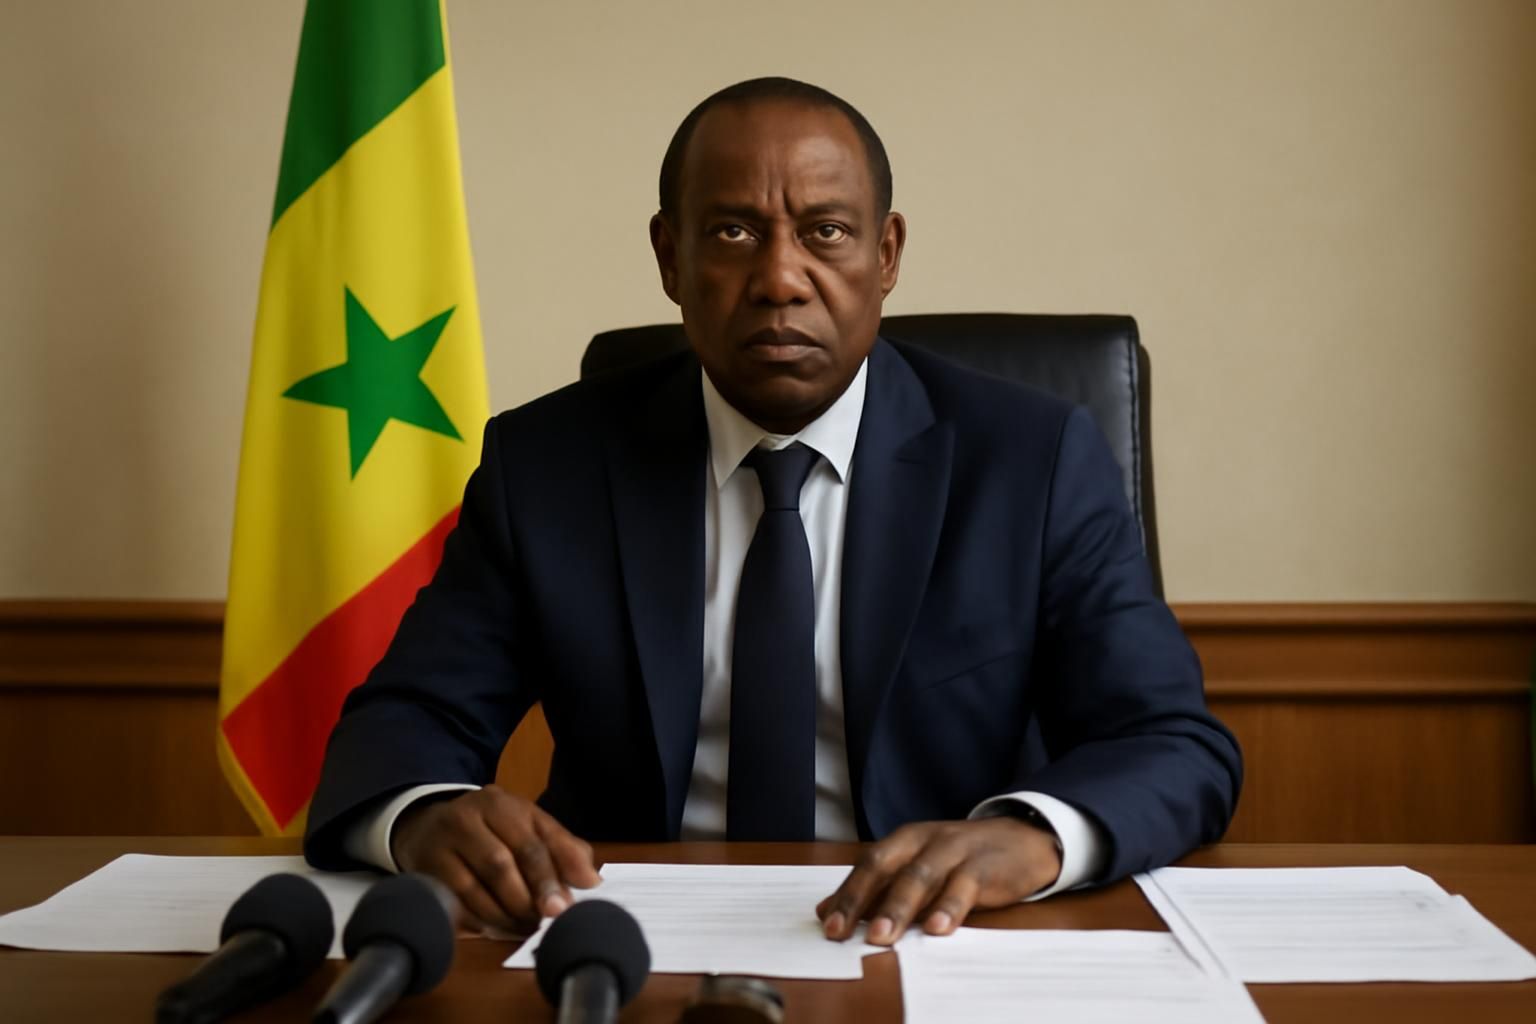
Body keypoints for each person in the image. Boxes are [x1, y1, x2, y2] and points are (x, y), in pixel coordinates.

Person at [304, 77, 1241, 947]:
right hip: (624, 941)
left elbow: (1171, 743)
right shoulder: (549, 466)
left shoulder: (1032, 462)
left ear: (886, 255)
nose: (781, 279)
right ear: (670, 258)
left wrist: (1031, 836)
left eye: (826, 231)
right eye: (733, 233)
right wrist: (423, 814)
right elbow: (406, 719)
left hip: (932, 943)